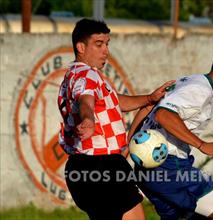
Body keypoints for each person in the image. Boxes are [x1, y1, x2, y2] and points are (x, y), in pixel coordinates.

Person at [57, 18, 174, 220]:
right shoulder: (87, 75)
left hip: (81, 166)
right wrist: (88, 119)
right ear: (81, 47)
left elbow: (112, 101)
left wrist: (148, 98)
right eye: (99, 44)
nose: (106, 51)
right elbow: (87, 101)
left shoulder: (73, 75)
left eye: (107, 44)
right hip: (102, 165)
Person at [128, 42, 213, 220]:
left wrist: (130, 145)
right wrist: (201, 145)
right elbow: (163, 115)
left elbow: (149, 107)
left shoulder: (188, 81)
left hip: (148, 171)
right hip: (169, 167)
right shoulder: (200, 90)